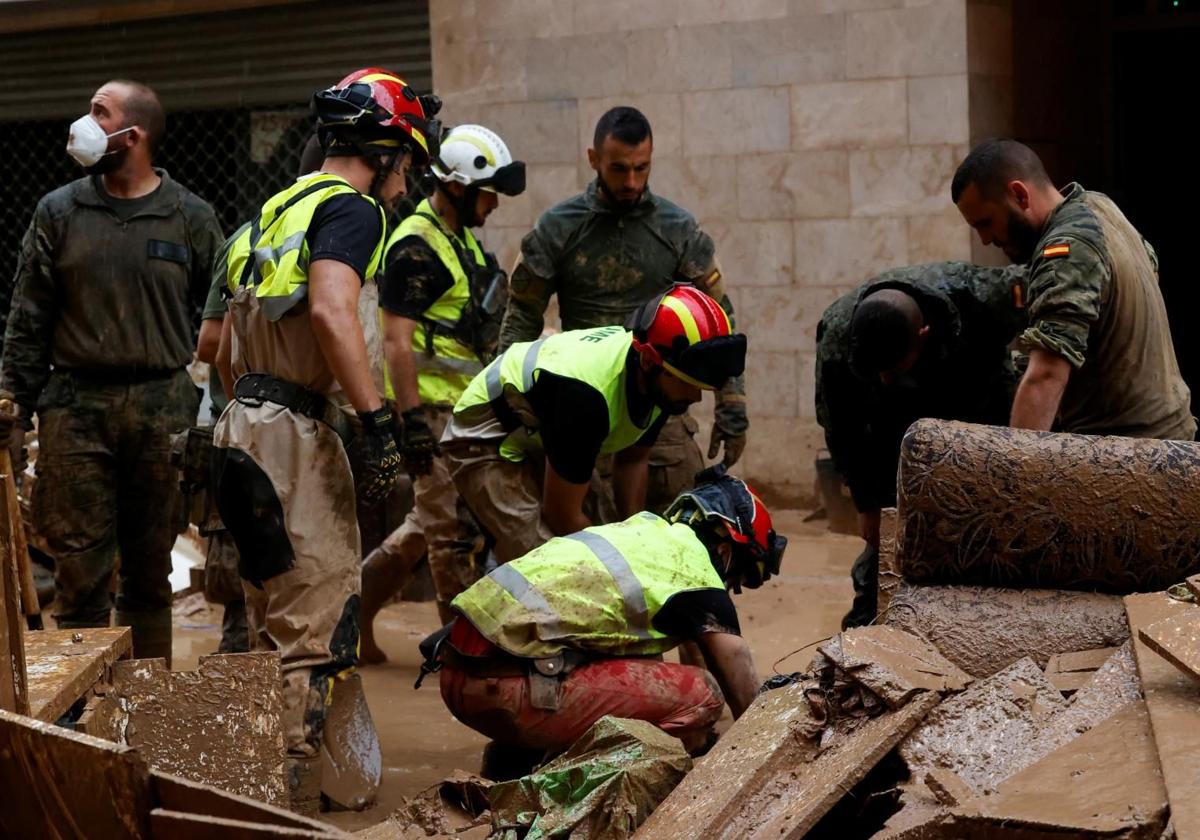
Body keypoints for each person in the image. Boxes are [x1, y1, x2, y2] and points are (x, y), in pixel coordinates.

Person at [211, 68, 435, 811]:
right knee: (315, 625)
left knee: (264, 611)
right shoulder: (352, 211)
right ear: (387, 151)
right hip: (295, 433)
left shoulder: (273, 209)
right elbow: (336, 311)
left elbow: (219, 347)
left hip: (239, 424)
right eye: (406, 163)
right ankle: (284, 802)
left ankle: (236, 776)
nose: (406, 184)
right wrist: (376, 424)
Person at [0, 79, 222, 661]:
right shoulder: (60, 211)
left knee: (151, 574)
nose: (85, 121)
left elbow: (229, 316)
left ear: (135, 134)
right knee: (80, 571)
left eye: (100, 112)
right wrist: (13, 407)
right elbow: (29, 318)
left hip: (162, 409)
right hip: (75, 408)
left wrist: (228, 409)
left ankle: (144, 702)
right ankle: (82, 720)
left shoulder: (190, 218)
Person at [429, 465, 786, 765]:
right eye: (738, 575)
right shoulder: (694, 574)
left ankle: (515, 760)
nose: (730, 587)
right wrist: (769, 749)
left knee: (646, 661)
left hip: (456, 672)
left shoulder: (638, 535)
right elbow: (740, 684)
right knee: (703, 695)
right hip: (505, 690)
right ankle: (576, 780)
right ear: (725, 549)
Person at [499, 106, 748, 514]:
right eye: (618, 169)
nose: (631, 181)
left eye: (641, 168)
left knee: (683, 530)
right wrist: (511, 404)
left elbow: (719, 319)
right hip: (583, 403)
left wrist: (732, 404)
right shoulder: (557, 229)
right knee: (583, 543)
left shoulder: (678, 229)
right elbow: (521, 317)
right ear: (593, 159)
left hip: (662, 405)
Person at [358, 124, 525, 661]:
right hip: (432, 415)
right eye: (488, 191)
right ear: (457, 186)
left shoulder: (461, 244)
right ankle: (465, 657)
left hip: (464, 412)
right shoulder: (416, 247)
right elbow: (396, 342)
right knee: (450, 539)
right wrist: (410, 423)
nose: (495, 203)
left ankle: (353, 612)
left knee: (421, 529)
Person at [441, 284, 746, 565]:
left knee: (607, 535)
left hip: (541, 429)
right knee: (548, 563)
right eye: (687, 385)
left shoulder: (659, 377)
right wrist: (622, 565)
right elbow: (561, 516)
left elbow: (633, 460)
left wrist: (637, 543)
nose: (695, 396)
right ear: (650, 362)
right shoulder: (585, 397)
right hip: (484, 438)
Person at [815, 262, 1028, 628]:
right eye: (876, 370)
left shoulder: (978, 297)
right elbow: (841, 426)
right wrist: (866, 504)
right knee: (882, 561)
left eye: (893, 369)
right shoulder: (837, 337)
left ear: (924, 335)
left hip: (976, 414)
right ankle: (865, 637)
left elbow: (1053, 285)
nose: (885, 378)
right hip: (887, 432)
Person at [952, 138, 1194, 440]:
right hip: (1173, 438)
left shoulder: (1067, 248)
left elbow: (1047, 375)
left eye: (986, 223)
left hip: (1128, 455)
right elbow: (1151, 271)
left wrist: (1015, 477)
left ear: (1019, 194)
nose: (985, 240)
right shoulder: (1101, 207)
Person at [192, 135, 329, 655]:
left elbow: (218, 348)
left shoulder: (257, 234)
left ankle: (255, 703)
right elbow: (213, 344)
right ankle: (266, 713)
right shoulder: (313, 231)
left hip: (249, 426)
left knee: (269, 577)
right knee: (272, 580)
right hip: (277, 429)